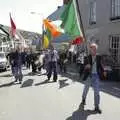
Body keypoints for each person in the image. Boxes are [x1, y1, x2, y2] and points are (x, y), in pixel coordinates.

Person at [81, 43, 102, 114]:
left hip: (96, 76)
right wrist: (86, 66)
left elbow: (100, 65)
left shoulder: (98, 57)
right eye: (93, 49)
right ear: (90, 50)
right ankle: (83, 99)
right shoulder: (87, 57)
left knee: (97, 91)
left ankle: (97, 106)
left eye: (95, 49)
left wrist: (103, 70)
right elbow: (83, 67)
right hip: (89, 76)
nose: (95, 50)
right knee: (86, 89)